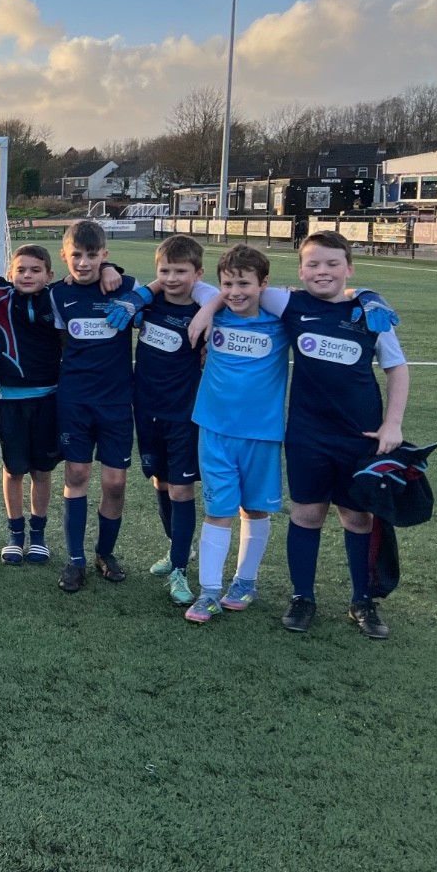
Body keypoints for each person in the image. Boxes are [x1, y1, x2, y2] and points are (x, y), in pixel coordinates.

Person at [191, 231, 406, 638]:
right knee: (307, 514)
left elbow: (397, 368)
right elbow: (235, 289)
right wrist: (208, 309)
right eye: (313, 264)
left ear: (349, 268)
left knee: (356, 517)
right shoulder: (290, 303)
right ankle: (302, 597)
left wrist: (392, 423)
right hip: (307, 432)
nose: (322, 271)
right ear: (301, 271)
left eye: (332, 264)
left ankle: (363, 601)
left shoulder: (370, 313)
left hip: (360, 434)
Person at [178, 244, 288, 624]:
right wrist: (210, 306)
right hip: (214, 430)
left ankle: (245, 582)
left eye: (244, 284)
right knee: (218, 510)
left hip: (262, 433)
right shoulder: (216, 314)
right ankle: (209, 592)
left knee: (255, 508)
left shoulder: (281, 322)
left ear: (263, 284)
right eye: (228, 284)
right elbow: (194, 286)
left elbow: (320, 303)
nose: (235, 292)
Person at [48, 220, 142, 594]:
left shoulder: (126, 286)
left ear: (105, 254)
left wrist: (114, 273)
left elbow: (157, 293)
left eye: (92, 256)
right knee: (76, 475)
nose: (83, 263)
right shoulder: (58, 294)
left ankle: (105, 552)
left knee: (115, 483)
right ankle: (75, 560)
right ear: (64, 256)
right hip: (75, 400)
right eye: (76, 255)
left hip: (117, 401)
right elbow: (60, 342)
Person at [117, 235, 210, 608]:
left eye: (180, 271)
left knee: (182, 490)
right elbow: (125, 292)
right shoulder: (149, 304)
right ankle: (177, 549)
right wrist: (142, 295)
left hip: (183, 415)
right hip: (146, 409)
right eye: (165, 271)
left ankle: (180, 571)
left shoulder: (204, 311)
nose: (172, 278)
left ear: (197, 273)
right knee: (160, 480)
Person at [0, 245, 61, 565]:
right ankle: (15, 535)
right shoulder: (1, 297)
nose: (27, 275)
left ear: (49, 274)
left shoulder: (57, 299)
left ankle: (38, 535)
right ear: (10, 274)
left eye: (35, 270)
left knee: (41, 470)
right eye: (21, 270)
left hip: (48, 398)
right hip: (11, 400)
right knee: (13, 469)